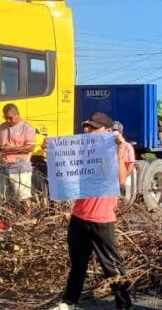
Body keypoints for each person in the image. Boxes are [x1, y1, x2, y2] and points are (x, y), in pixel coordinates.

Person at [49, 112, 133, 310]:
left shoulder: (121, 148)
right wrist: (52, 152)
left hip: (102, 218)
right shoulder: (81, 148)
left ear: (107, 130)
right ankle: (69, 302)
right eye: (87, 126)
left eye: (94, 127)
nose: (88, 130)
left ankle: (123, 305)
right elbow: (64, 170)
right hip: (79, 215)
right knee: (77, 265)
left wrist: (119, 150)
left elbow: (121, 180)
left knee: (112, 266)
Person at [0, 103, 36, 215]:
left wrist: (11, 149)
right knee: (3, 196)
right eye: (6, 118)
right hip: (4, 166)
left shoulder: (27, 128)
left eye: (10, 117)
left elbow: (31, 147)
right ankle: (7, 220)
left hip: (20, 166)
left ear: (17, 114)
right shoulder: (2, 127)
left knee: (23, 196)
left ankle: (27, 219)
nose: (8, 120)